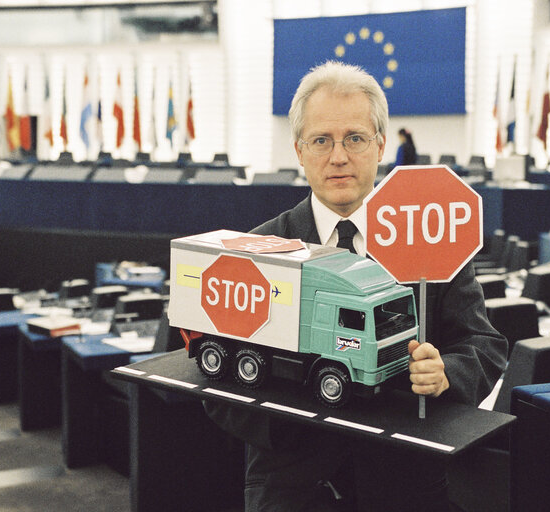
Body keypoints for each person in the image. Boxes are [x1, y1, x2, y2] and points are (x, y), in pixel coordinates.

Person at [205, 61, 508, 512]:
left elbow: (484, 344)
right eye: (322, 140)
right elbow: (218, 384)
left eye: (355, 138)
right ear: (299, 150)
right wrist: (289, 418)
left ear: (381, 146)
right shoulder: (257, 250)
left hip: (406, 486)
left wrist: (448, 373)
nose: (339, 156)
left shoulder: (430, 235)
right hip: (291, 488)